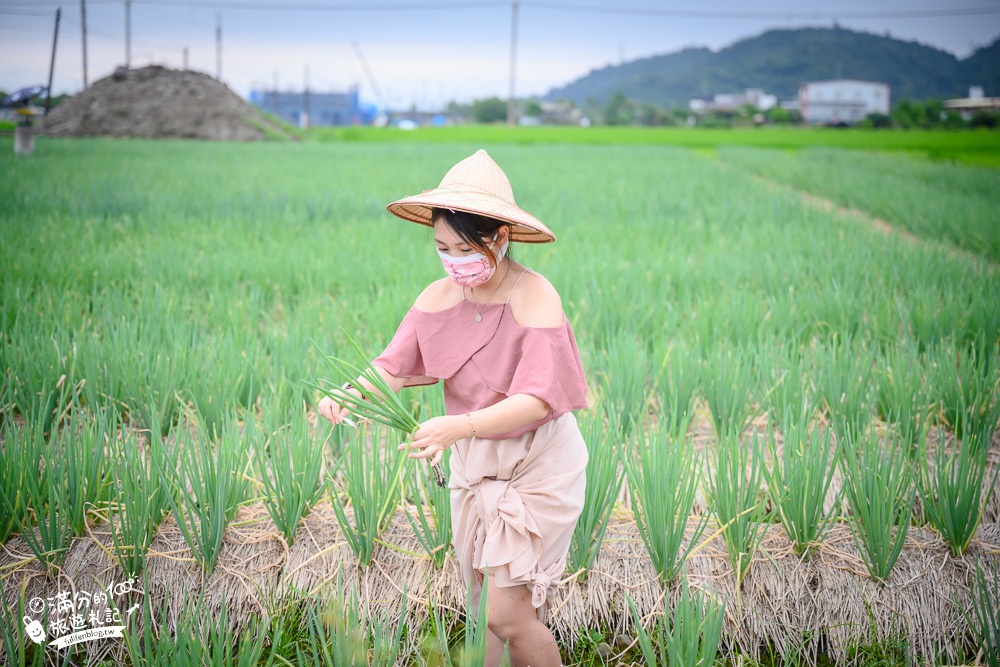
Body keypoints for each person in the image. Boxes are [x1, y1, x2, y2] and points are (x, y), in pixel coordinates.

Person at [318, 149, 590, 667]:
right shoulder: (438, 298)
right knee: (484, 610)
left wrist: (458, 427)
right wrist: (348, 394)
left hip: (537, 467)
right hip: (475, 467)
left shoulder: (535, 297)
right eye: (443, 246)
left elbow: (536, 399)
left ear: (501, 238)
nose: (451, 258)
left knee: (507, 616)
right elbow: (393, 368)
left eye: (465, 247)